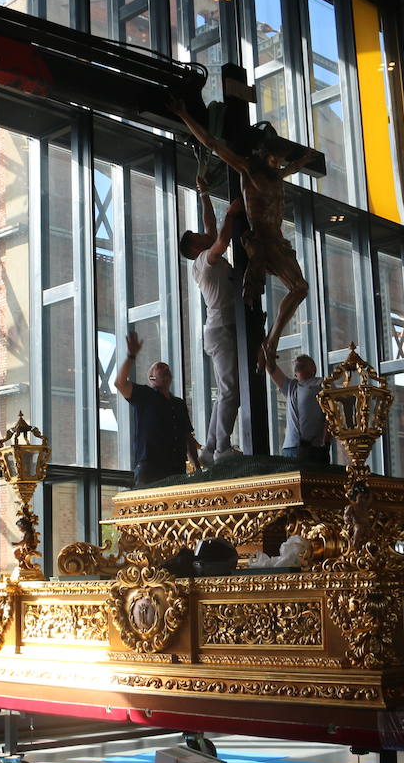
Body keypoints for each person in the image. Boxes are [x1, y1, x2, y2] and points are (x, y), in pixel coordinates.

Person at [171, 99, 321, 361]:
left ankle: (270, 342)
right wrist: (184, 113)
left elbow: (209, 227)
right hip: (263, 241)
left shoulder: (276, 174)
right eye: (274, 159)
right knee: (300, 288)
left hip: (278, 240)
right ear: (265, 155)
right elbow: (212, 143)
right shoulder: (249, 170)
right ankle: (270, 344)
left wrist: (204, 193)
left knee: (300, 288)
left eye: (279, 161)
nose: (277, 163)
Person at [181, 177, 244, 465]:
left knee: (226, 391)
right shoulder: (206, 260)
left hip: (219, 330)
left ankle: (210, 447)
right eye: (197, 236)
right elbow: (220, 238)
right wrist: (231, 213)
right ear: (195, 248)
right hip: (221, 330)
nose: (203, 233)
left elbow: (210, 229)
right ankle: (222, 449)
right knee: (231, 390)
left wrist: (204, 193)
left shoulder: (203, 259)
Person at [113, 332, 200, 486]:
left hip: (176, 469)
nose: (166, 368)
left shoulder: (179, 404)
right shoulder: (145, 395)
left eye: (167, 368)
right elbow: (120, 383)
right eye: (160, 367)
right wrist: (131, 356)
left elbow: (188, 438)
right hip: (150, 469)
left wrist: (197, 468)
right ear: (151, 378)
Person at [259, 347, 330, 464]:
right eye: (296, 361)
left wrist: (326, 443)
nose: (297, 360)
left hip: (313, 448)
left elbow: (331, 414)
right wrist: (268, 357)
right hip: (290, 448)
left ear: (313, 368)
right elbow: (272, 370)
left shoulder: (321, 383)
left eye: (303, 361)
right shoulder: (291, 386)